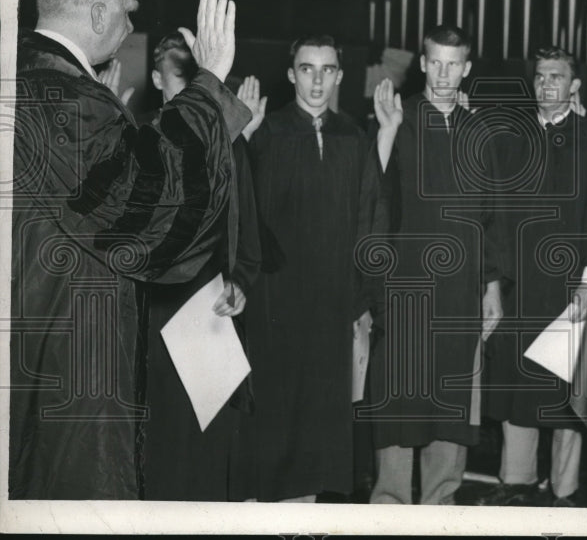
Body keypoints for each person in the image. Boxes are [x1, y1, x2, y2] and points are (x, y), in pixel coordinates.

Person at [10, 0, 250, 499]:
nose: (131, 18)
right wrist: (211, 79)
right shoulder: (62, 95)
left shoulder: (30, 78)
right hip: (71, 348)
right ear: (97, 14)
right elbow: (150, 202)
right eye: (126, 8)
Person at [364, 26, 505, 505]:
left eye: (454, 64)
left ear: (467, 68)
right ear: (423, 63)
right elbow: (373, 198)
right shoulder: (399, 120)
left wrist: (491, 287)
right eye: (436, 62)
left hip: (462, 290)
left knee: (452, 401)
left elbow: (490, 215)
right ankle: (389, 509)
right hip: (405, 285)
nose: (444, 73)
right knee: (400, 396)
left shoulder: (478, 130)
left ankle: (440, 508)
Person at [234, 34, 379, 502]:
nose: (317, 80)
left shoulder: (354, 137)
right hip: (276, 298)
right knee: (275, 411)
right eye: (307, 68)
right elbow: (240, 208)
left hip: (332, 299)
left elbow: (367, 219)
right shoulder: (268, 132)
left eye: (327, 70)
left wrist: (360, 299)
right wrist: (244, 139)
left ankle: (306, 510)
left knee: (321, 416)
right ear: (292, 73)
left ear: (338, 75)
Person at [479, 46, 587, 507]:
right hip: (519, 284)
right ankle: (516, 482)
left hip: (569, 287)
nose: (547, 85)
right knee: (517, 386)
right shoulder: (510, 139)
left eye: (556, 77)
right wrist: (495, 282)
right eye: (540, 77)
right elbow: (495, 216)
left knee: (564, 394)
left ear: (573, 85)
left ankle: (564, 489)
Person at [138, 33, 259, 501]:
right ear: (155, 80)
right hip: (155, 312)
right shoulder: (141, 136)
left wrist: (241, 284)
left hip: (209, 311)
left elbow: (245, 232)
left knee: (210, 450)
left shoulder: (229, 140)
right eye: (182, 81)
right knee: (161, 450)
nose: (193, 95)